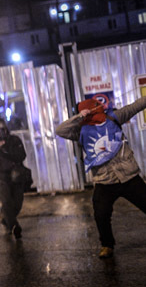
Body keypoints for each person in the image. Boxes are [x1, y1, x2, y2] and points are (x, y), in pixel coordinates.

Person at [56, 97, 146, 258]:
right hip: (104, 180)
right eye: (95, 107)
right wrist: (79, 117)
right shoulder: (81, 130)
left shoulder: (114, 117)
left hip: (128, 176)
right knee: (101, 215)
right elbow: (60, 130)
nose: (99, 108)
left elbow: (136, 106)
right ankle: (107, 245)